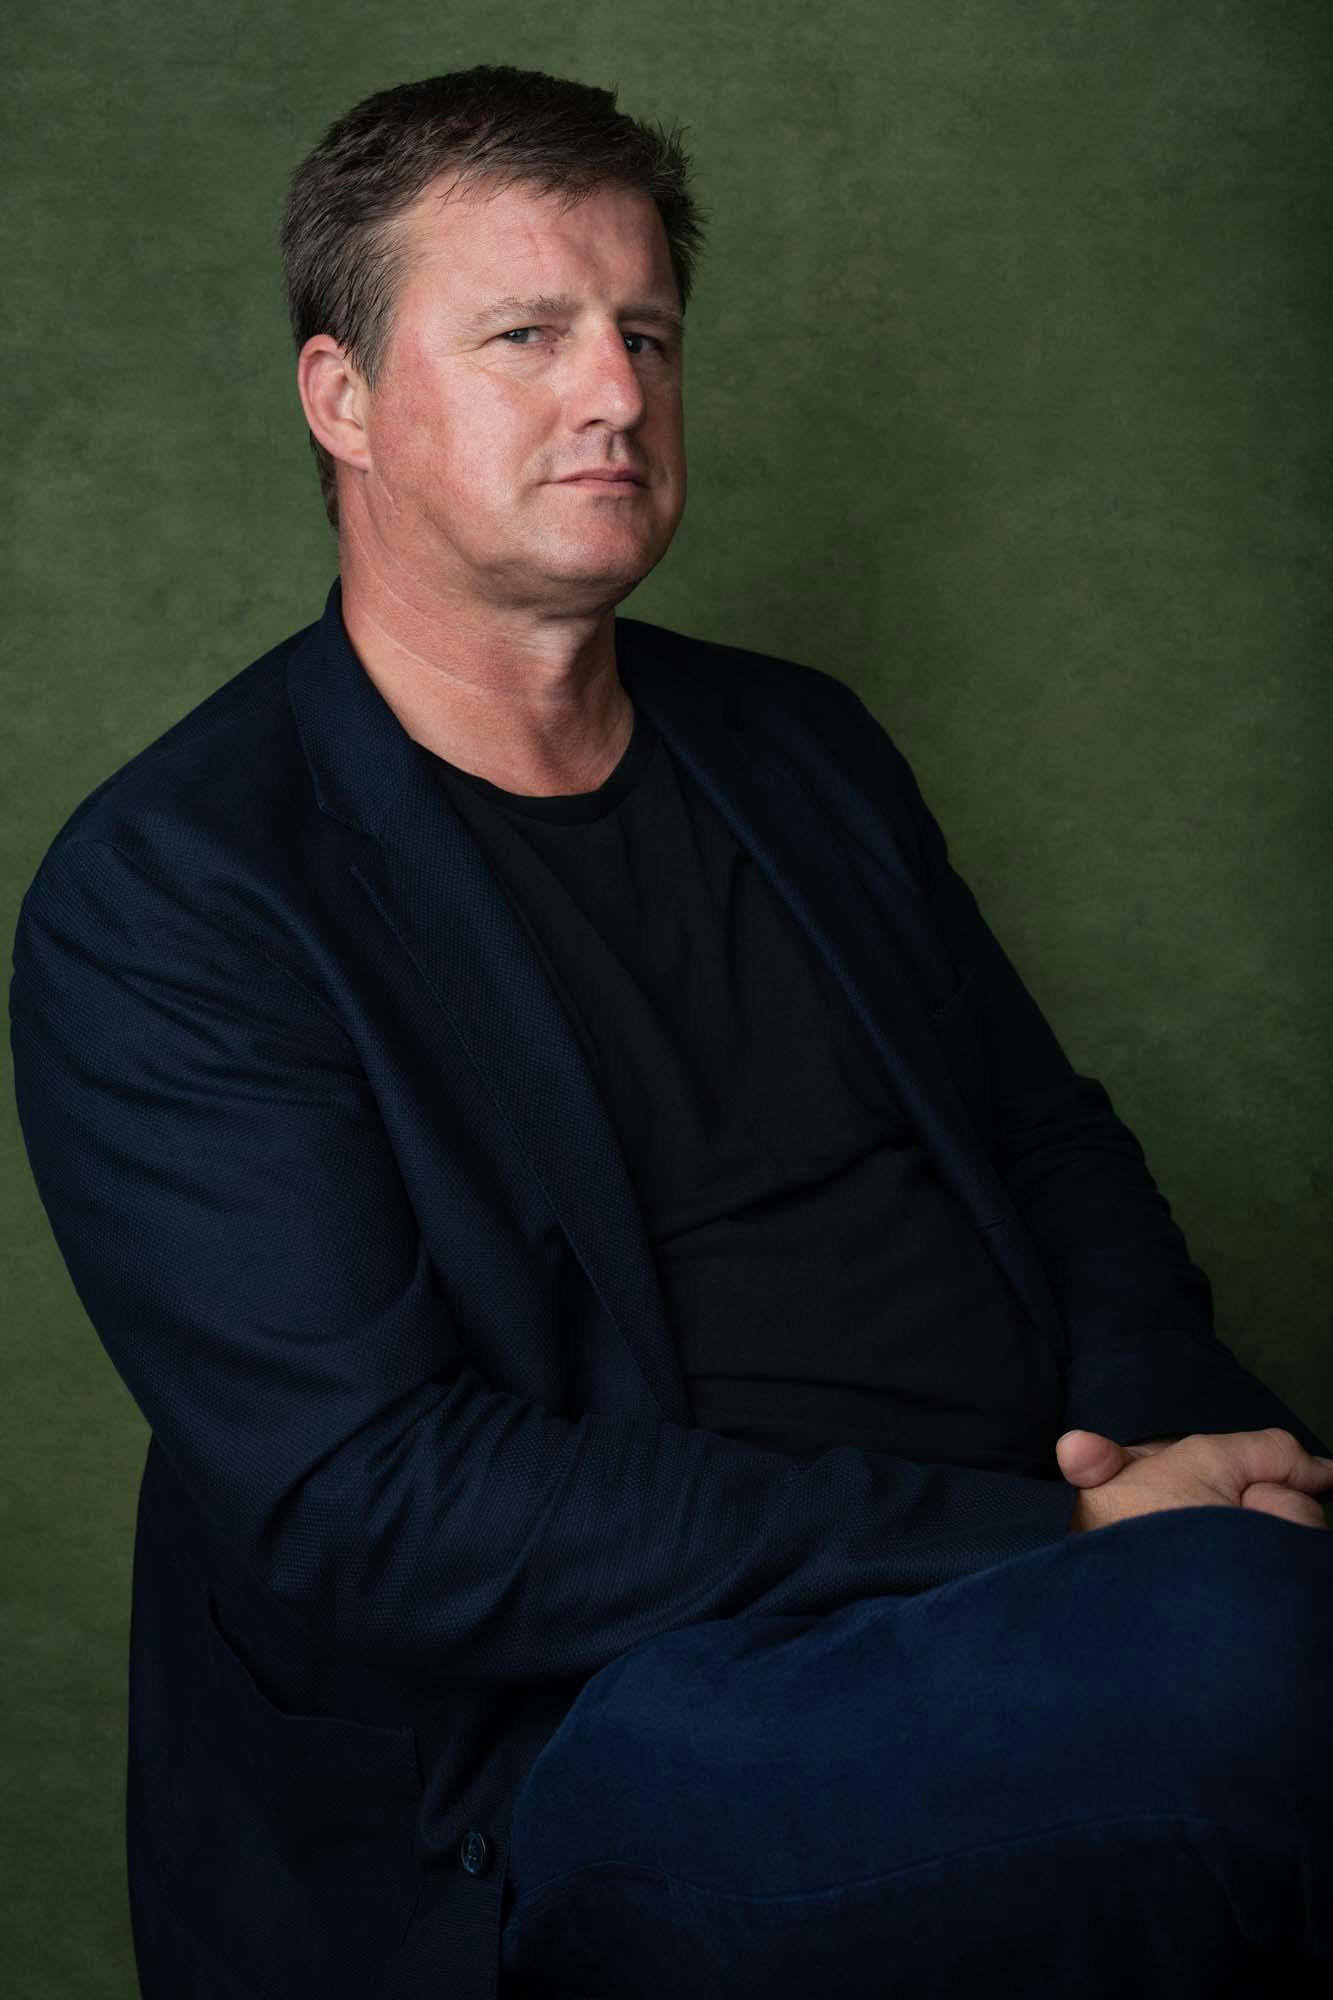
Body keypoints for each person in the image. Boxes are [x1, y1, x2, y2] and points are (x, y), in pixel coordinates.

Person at [8, 63, 1332, 2000]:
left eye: (643, 333)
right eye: (527, 335)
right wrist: (1054, 1528)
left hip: (1059, 1573)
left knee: (1264, 1616)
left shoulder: (796, 747)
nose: (616, 394)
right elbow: (384, 1501)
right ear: (341, 398)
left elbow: (1046, 1145)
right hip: (609, 1720)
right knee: (1263, 1675)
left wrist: (1185, 1465)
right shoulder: (183, 892)